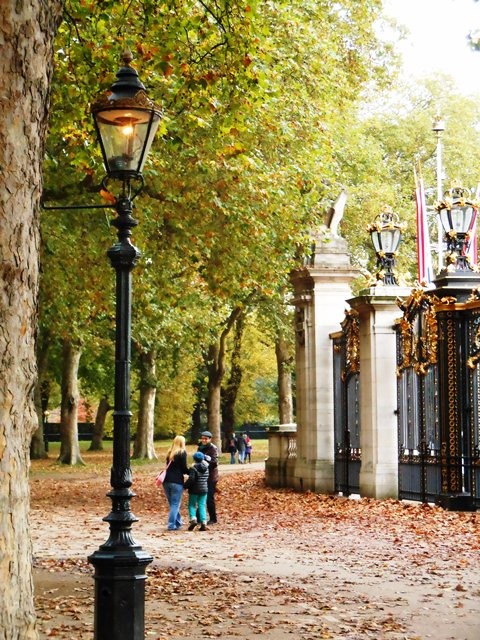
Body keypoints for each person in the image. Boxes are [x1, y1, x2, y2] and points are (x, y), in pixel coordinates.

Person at [162, 435, 189, 531]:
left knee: (172, 503)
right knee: (175, 504)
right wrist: (191, 472)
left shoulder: (170, 452)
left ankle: (178, 522)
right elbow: (184, 468)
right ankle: (171, 525)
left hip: (166, 480)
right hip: (177, 481)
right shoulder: (182, 453)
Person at [197, 430, 219, 524]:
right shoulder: (200, 448)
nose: (204, 440)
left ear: (210, 439)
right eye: (202, 438)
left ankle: (213, 518)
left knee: (209, 497)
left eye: (206, 439)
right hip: (201, 476)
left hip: (211, 477)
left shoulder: (213, 448)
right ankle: (199, 518)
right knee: (201, 496)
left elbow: (214, 463)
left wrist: (204, 468)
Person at [185, 451, 209, 531]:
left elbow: (191, 479)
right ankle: (203, 522)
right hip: (204, 489)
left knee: (191, 505)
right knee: (201, 505)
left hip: (194, 489)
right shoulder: (206, 468)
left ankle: (193, 519)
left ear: (194, 459)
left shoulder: (193, 468)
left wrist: (185, 486)